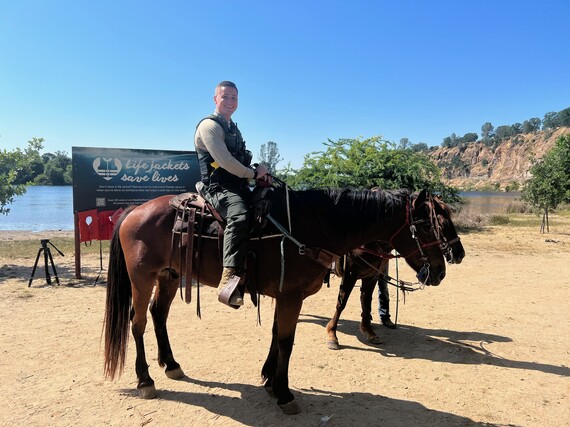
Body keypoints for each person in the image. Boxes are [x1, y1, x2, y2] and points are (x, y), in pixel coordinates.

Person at [194, 81, 270, 307]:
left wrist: (260, 172)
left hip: (236, 185)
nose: (230, 102)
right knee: (239, 215)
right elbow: (225, 162)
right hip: (217, 188)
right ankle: (228, 276)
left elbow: (237, 159)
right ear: (215, 99)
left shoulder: (233, 128)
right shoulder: (210, 126)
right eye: (225, 97)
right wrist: (253, 174)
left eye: (234, 98)